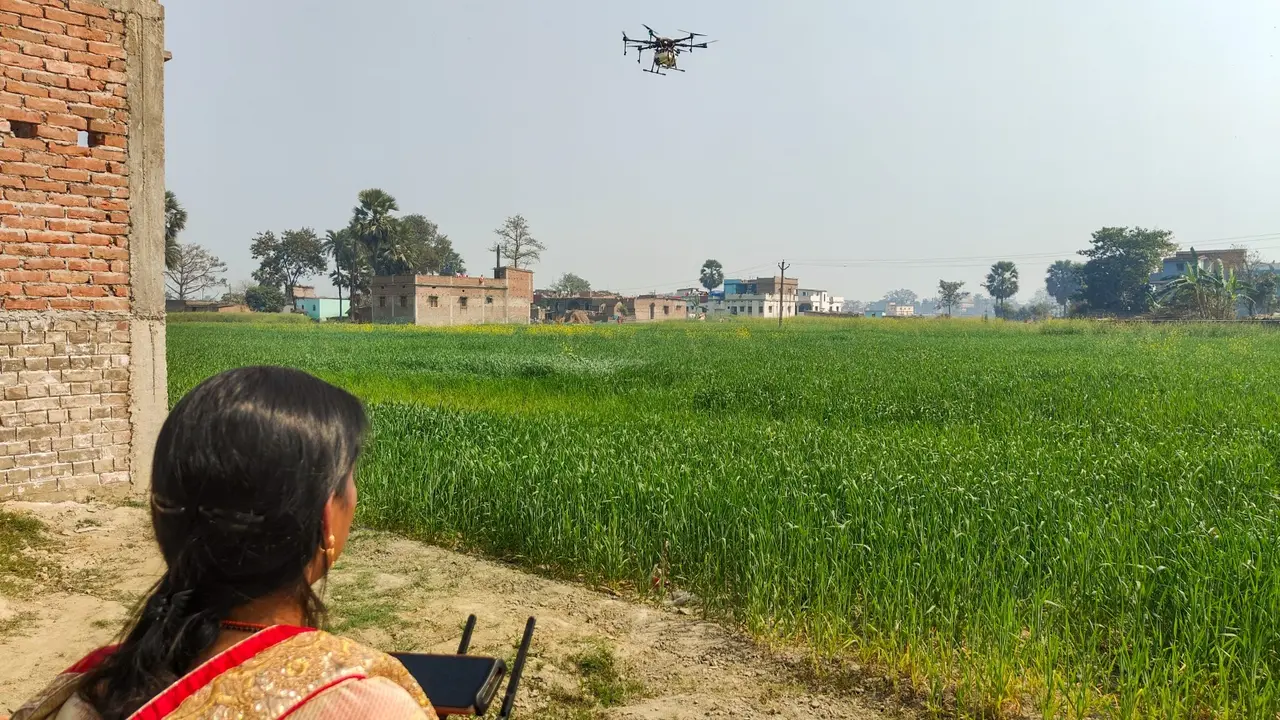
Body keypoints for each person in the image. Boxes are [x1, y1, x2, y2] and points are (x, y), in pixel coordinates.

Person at [11, 367, 437, 720]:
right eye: (350, 477)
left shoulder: (91, 690)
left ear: (164, 516)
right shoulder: (362, 707)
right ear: (327, 514)